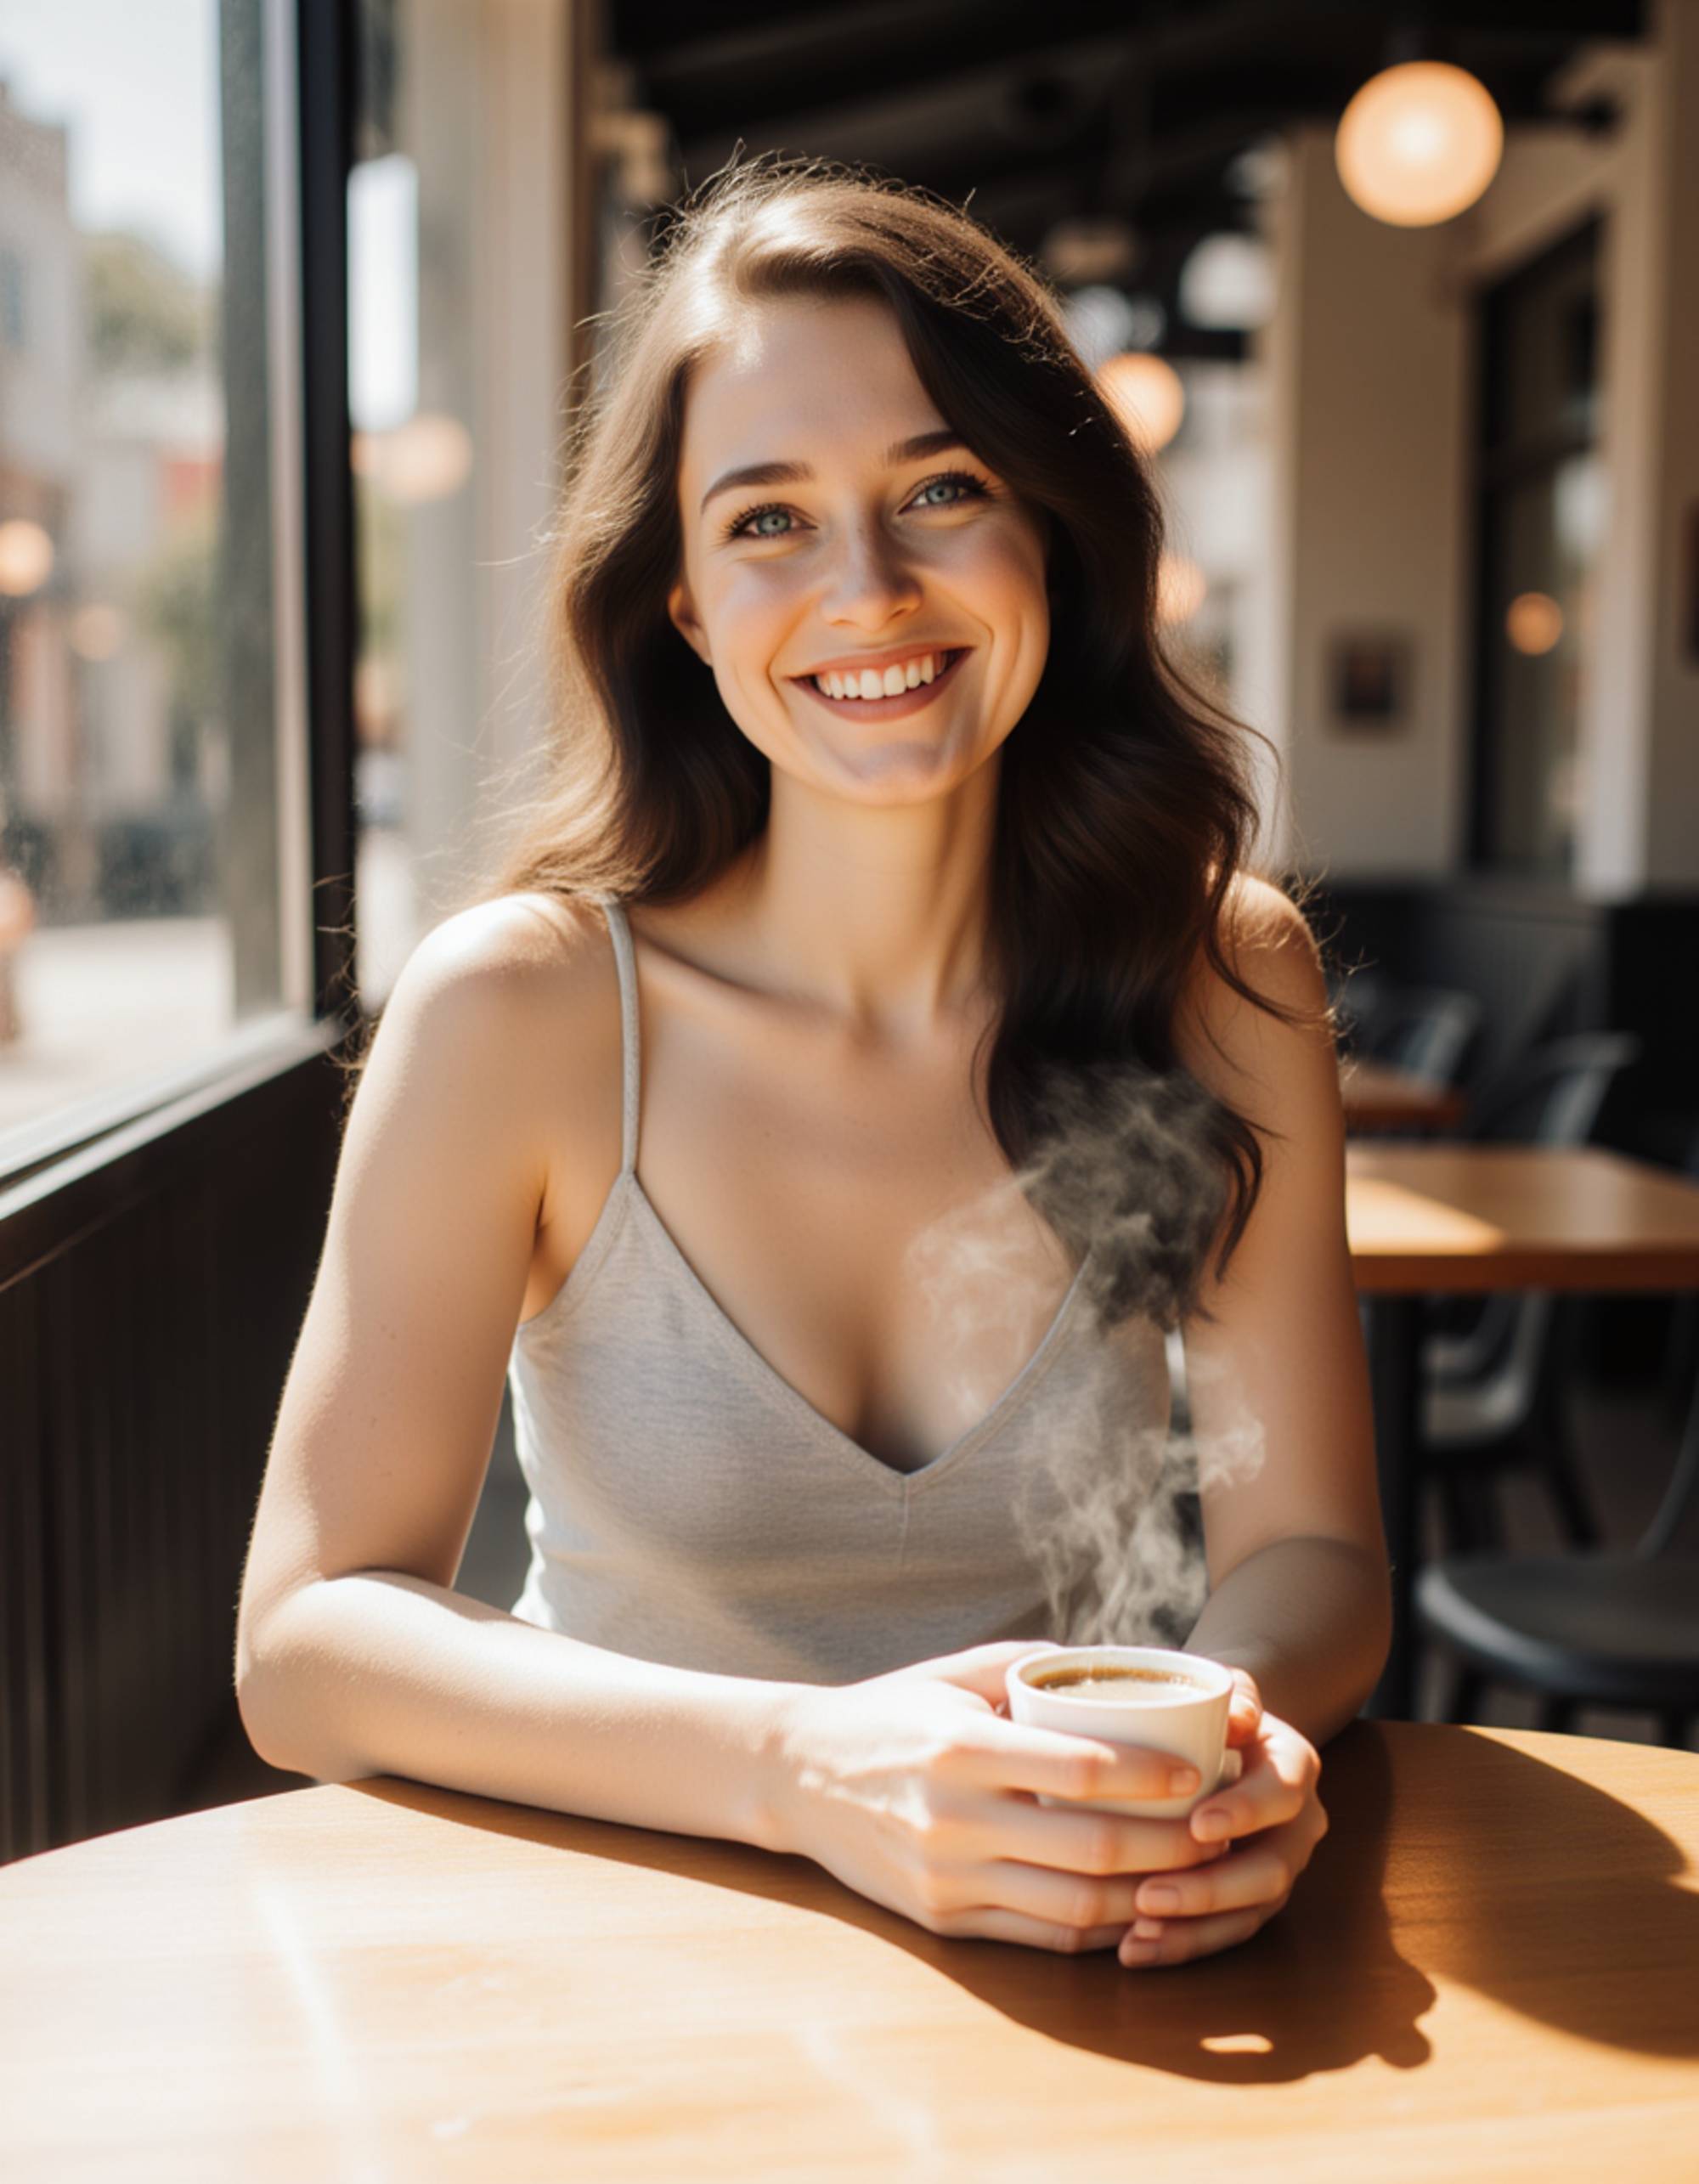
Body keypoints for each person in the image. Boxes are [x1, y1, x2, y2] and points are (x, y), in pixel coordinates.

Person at [235, 155, 1389, 1972]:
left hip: (1073, 1938)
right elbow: (303, 1637)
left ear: (1052, 536)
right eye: (767, 518)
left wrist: (1221, 1750)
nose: (867, 587)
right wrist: (799, 1767)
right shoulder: (521, 1011)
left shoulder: (1223, 978)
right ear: (685, 602)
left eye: (940, 488)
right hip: (616, 1941)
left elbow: (1311, 1550)